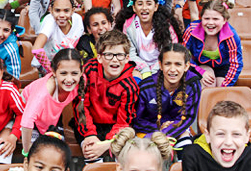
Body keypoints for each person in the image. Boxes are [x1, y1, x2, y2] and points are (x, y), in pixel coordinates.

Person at [73, 30, 139, 162]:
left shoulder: (130, 86)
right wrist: (90, 135)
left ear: (127, 58)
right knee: (91, 151)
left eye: (120, 55)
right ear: (99, 57)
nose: (114, 59)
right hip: (88, 123)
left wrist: (107, 144)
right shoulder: (89, 70)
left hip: (114, 128)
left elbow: (123, 122)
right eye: (108, 55)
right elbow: (81, 106)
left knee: (119, 156)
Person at [133, 43, 201, 155]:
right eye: (168, 64)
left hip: (178, 129)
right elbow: (137, 120)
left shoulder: (192, 84)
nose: (172, 69)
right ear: (160, 65)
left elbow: (187, 117)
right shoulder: (146, 87)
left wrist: (167, 131)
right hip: (150, 130)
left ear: (186, 66)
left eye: (178, 64)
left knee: (186, 148)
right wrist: (159, 129)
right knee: (148, 153)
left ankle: (181, 165)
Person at [21, 48, 84, 154]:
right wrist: (27, 152)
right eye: (63, 73)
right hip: (24, 117)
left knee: (57, 152)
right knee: (37, 153)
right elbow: (26, 122)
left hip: (51, 119)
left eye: (74, 73)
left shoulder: (82, 82)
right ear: (54, 72)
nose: (69, 79)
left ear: (81, 72)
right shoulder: (43, 93)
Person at [115, 0, 183, 79]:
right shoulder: (128, 25)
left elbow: (169, 52)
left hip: (162, 66)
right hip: (138, 66)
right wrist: (144, 69)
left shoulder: (166, 25)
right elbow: (130, 52)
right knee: (134, 77)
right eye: (140, 4)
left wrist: (154, 71)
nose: (144, 8)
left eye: (149, 4)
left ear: (156, 7)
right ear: (134, 8)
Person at [183, 0, 242, 87]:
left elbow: (236, 64)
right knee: (208, 83)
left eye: (215, 19)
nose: (210, 23)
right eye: (206, 18)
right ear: (201, 18)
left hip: (224, 66)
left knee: (221, 90)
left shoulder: (231, 36)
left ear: (224, 20)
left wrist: (224, 87)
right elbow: (182, 55)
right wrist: (200, 71)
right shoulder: (191, 30)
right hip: (201, 65)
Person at [32, 0, 84, 74]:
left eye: (66, 11)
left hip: (66, 64)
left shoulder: (78, 20)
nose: (62, 15)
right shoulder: (49, 21)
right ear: (51, 10)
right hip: (47, 65)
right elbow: (36, 49)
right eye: (57, 10)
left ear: (72, 11)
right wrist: (52, 71)